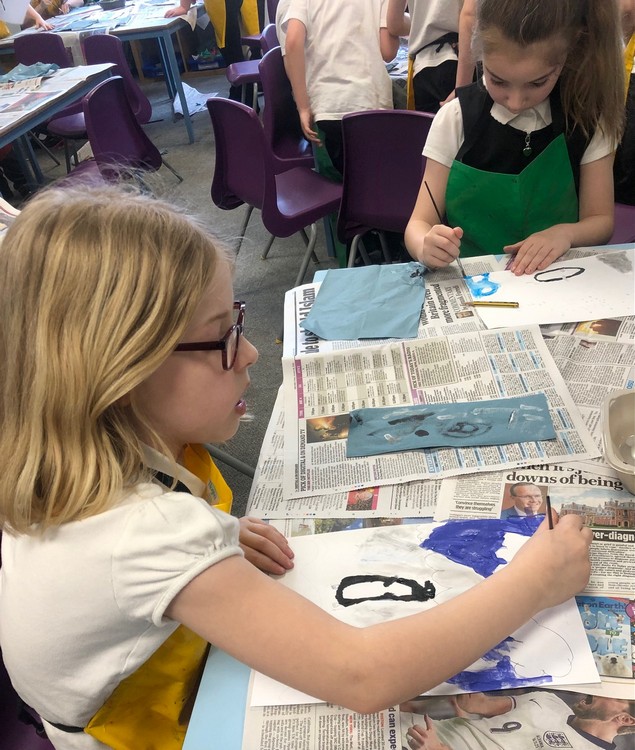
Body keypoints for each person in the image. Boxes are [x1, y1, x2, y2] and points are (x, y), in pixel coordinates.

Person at [0, 186, 593, 750]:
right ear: (123, 373)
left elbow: (117, 573)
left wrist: (212, 543)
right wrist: (535, 582)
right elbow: (363, 676)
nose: (251, 351)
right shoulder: (143, 532)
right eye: (222, 337)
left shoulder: (80, 449)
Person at [404, 0, 624, 276]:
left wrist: (564, 234)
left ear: (567, 56)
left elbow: (601, 221)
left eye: (537, 83)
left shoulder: (586, 120)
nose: (516, 102)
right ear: (479, 54)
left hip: (558, 279)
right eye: (498, 80)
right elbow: (418, 224)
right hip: (474, 281)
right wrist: (425, 245)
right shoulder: (455, 119)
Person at [281, 0, 399, 177]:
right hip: (370, 102)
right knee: (374, 179)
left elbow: (292, 42)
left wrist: (303, 106)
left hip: (329, 104)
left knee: (339, 181)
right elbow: (388, 51)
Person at [401, 691, 635, 749]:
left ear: (625, 718)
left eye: (613, 695)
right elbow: (481, 705)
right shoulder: (549, 700)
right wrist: (470, 698)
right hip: (423, 729)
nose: (600, 691)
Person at [386, 0, 461, 114]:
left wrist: (423, 24)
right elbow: (471, 18)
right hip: (462, 60)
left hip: (424, 67)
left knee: (427, 124)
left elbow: (395, 24)